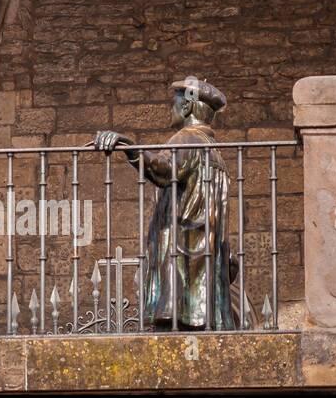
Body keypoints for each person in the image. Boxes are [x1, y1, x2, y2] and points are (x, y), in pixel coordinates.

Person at [93, 77, 235, 329]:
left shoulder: (187, 139)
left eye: (175, 102)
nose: (171, 108)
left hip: (182, 256)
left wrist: (130, 147)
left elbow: (165, 169)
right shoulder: (214, 152)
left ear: (188, 107)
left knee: (173, 335)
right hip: (204, 258)